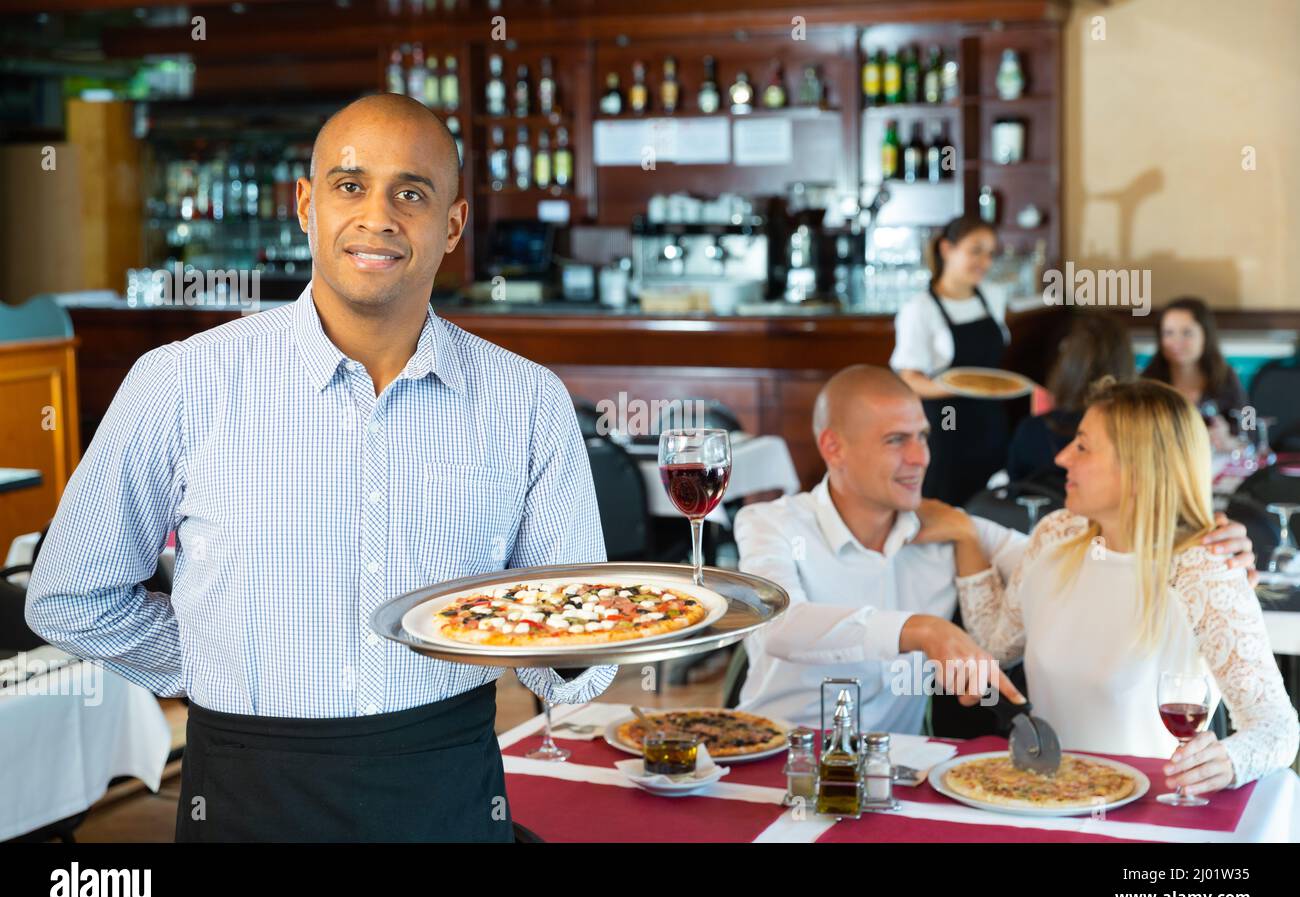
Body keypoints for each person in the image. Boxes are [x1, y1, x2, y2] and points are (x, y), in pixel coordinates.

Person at [26, 94, 615, 842]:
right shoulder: (181, 382)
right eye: (349, 185)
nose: (378, 216)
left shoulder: (528, 401)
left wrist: (594, 634)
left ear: (453, 225)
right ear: (306, 204)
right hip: (244, 792)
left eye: (411, 192)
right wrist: (213, 659)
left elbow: (577, 651)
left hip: (449, 791)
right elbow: (71, 595)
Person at [731, 365, 1255, 734]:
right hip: (772, 754)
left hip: (894, 775)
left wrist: (1202, 544)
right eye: (896, 440)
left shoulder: (952, 532)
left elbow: (1086, 562)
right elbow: (778, 624)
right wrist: (922, 629)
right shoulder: (770, 523)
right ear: (833, 447)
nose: (920, 458)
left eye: (923, 436)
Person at [935, 378, 1298, 793]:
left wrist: (1229, 761)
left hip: (1148, 816)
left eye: (1084, 447)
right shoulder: (1055, 534)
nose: (1062, 456)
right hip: (1044, 801)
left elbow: (1277, 727)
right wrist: (965, 541)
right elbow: (997, 647)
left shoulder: (1204, 567)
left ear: (1140, 469)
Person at [891, 215, 1010, 506]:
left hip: (991, 421)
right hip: (947, 426)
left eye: (990, 253)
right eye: (975, 250)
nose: (984, 261)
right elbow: (909, 380)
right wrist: (965, 387)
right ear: (946, 249)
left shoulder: (993, 297)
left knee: (991, 507)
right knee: (947, 505)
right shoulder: (919, 309)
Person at [1006, 311, 1135, 495]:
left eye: (1083, 447)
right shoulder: (1134, 432)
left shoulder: (1031, 430)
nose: (1064, 459)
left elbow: (1014, 488)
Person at [1141, 297, 1247, 451]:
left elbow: (1249, 433)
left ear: (1206, 335)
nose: (1177, 341)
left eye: (1187, 333)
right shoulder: (1148, 382)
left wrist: (1228, 440)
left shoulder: (1226, 377)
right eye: (1168, 333)